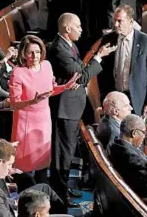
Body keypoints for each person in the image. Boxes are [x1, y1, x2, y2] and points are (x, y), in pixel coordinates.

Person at [48, 12, 117, 205]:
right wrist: (99, 57)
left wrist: (82, 74)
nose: (81, 30)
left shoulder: (69, 45)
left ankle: (64, 189)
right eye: (78, 26)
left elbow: (80, 74)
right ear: (67, 29)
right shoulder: (59, 49)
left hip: (72, 107)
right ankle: (60, 195)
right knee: (64, 154)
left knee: (68, 153)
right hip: (65, 109)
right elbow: (82, 77)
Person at [9, 35, 81, 185]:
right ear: (23, 53)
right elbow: (14, 105)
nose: (34, 56)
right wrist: (33, 101)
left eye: (37, 51)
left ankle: (41, 194)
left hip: (43, 120)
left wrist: (65, 87)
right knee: (24, 164)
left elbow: (51, 90)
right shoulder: (18, 72)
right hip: (25, 122)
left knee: (42, 162)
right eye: (30, 52)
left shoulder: (47, 65)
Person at [0, 139, 67, 217]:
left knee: (43, 188)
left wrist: (12, 202)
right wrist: (17, 207)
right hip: (14, 212)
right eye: (9, 164)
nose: (10, 169)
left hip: (9, 203)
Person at [99, 4, 147, 118]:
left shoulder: (146, 41)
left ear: (130, 21)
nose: (116, 25)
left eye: (119, 21)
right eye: (114, 21)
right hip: (115, 99)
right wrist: (103, 96)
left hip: (137, 100)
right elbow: (102, 72)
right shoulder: (108, 39)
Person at [108, 114, 147, 198]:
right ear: (134, 133)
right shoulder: (130, 155)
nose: (144, 136)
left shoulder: (117, 143)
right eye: (143, 132)